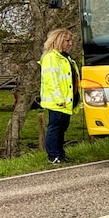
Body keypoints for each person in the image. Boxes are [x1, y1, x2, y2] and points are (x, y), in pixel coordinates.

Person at [39, 28, 80, 164]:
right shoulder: (51, 57)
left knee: (61, 129)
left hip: (66, 101)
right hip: (58, 102)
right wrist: (59, 99)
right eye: (67, 41)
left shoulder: (64, 57)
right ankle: (53, 155)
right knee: (55, 128)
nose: (70, 43)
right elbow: (51, 81)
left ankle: (60, 154)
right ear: (58, 41)